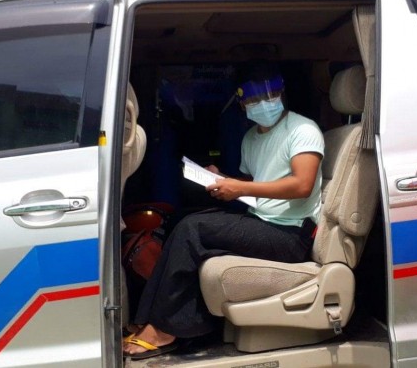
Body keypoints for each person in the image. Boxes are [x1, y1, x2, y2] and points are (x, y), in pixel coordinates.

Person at [122, 63, 324, 360]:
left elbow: (302, 185)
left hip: (290, 234)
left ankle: (165, 330)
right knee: (181, 220)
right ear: (242, 103)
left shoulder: (302, 130)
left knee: (193, 229)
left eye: (270, 95)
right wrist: (223, 179)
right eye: (253, 98)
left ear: (282, 94)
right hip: (263, 221)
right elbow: (255, 181)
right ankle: (149, 318)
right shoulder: (252, 137)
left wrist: (239, 188)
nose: (263, 103)